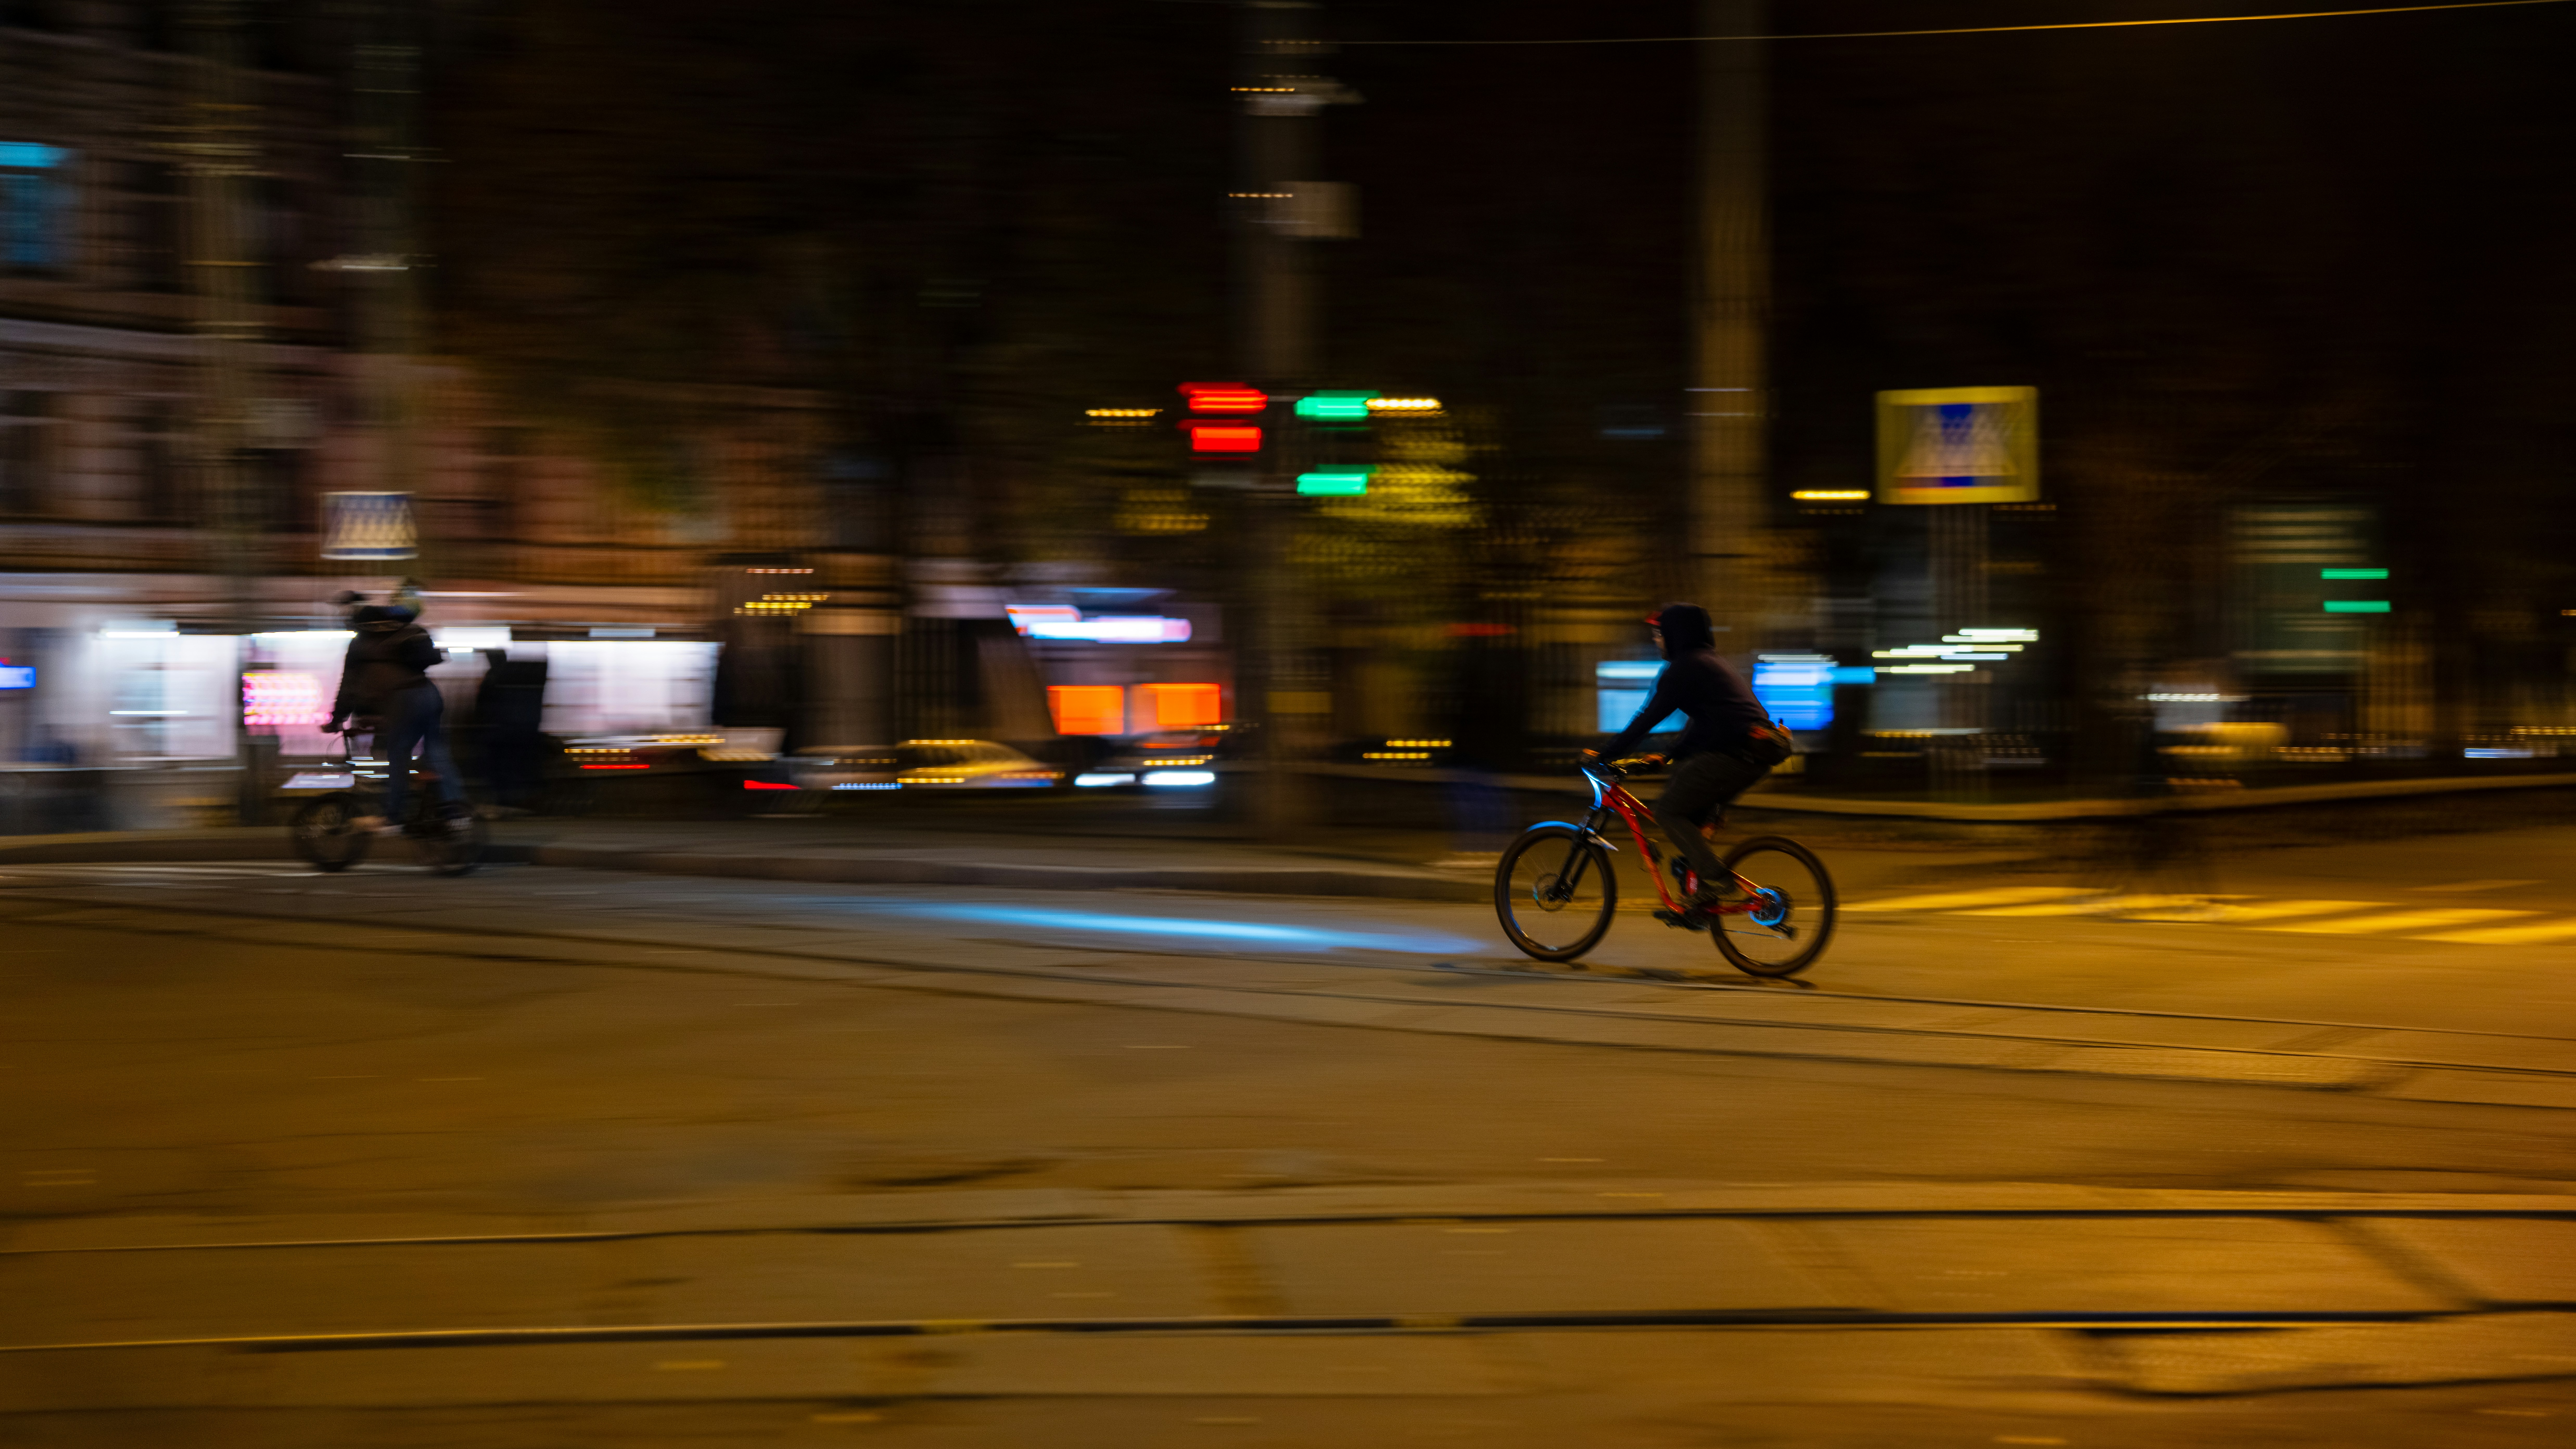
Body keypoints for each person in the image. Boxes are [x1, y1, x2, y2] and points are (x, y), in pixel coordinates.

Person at [1590, 602, 1787, 909]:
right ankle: (1695, 896)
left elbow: (1646, 719)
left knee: (1668, 812)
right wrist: (1668, 756)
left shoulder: (1685, 668)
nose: (1656, 641)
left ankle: (1716, 881)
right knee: (1688, 808)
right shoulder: (1708, 662)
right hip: (1754, 754)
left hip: (1735, 755)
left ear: (1675, 633)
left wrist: (1605, 755)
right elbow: (1706, 722)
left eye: (1659, 634)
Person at [325, 596, 469, 834]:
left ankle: (394, 817)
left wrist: (337, 719)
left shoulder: (361, 644)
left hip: (402, 700)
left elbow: (349, 686)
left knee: (398, 756)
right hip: (429, 694)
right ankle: (455, 812)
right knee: (437, 750)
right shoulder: (404, 631)